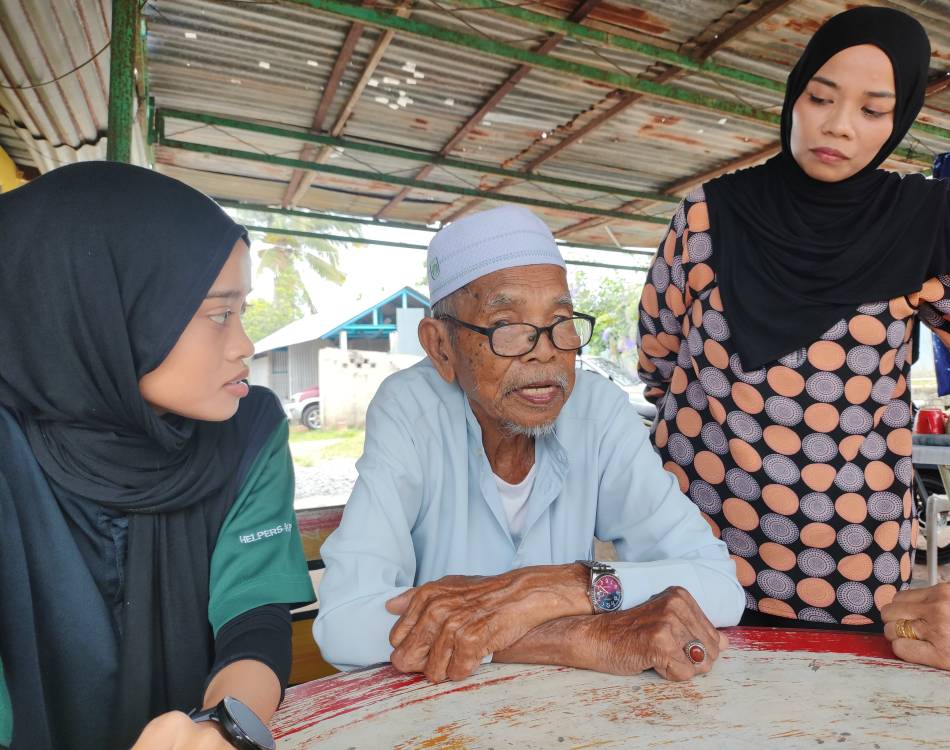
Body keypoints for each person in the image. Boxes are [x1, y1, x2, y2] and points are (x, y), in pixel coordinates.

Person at [638, 6, 950, 631]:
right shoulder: (707, 216)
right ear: (794, 95)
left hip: (849, 566)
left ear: (899, 117)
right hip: (693, 547)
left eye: (872, 109)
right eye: (820, 97)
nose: (838, 126)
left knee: (837, 718)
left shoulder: (919, 223)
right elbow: (659, 358)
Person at [313, 205, 744, 684]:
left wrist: (559, 587)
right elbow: (346, 623)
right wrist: (569, 637)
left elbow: (721, 587)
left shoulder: (596, 408)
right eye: (507, 326)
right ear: (441, 347)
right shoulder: (412, 410)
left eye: (561, 319)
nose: (546, 349)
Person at [0, 163, 315, 750]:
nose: (245, 346)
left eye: (241, 312)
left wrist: (222, 728)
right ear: (103, 314)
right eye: (219, 315)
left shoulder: (249, 429)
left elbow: (254, 615)